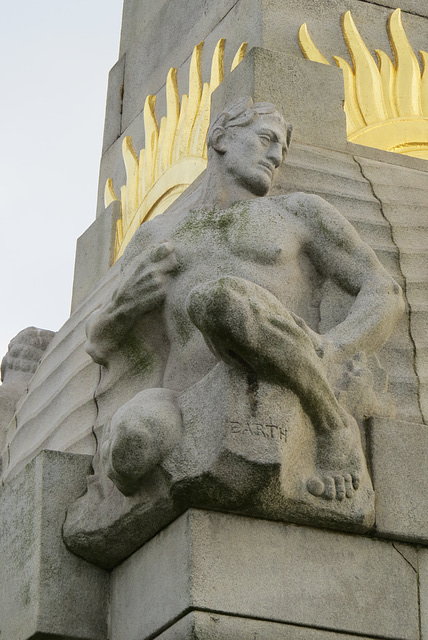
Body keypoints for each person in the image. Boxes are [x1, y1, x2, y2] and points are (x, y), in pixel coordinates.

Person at [85, 97, 404, 501]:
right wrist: (125, 302)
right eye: (266, 139)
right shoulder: (155, 234)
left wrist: (332, 349)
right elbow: (97, 341)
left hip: (280, 371)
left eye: (282, 149)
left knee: (218, 300)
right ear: (220, 138)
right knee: (128, 451)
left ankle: (331, 422)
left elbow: (384, 290)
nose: (275, 156)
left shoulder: (297, 212)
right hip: (185, 398)